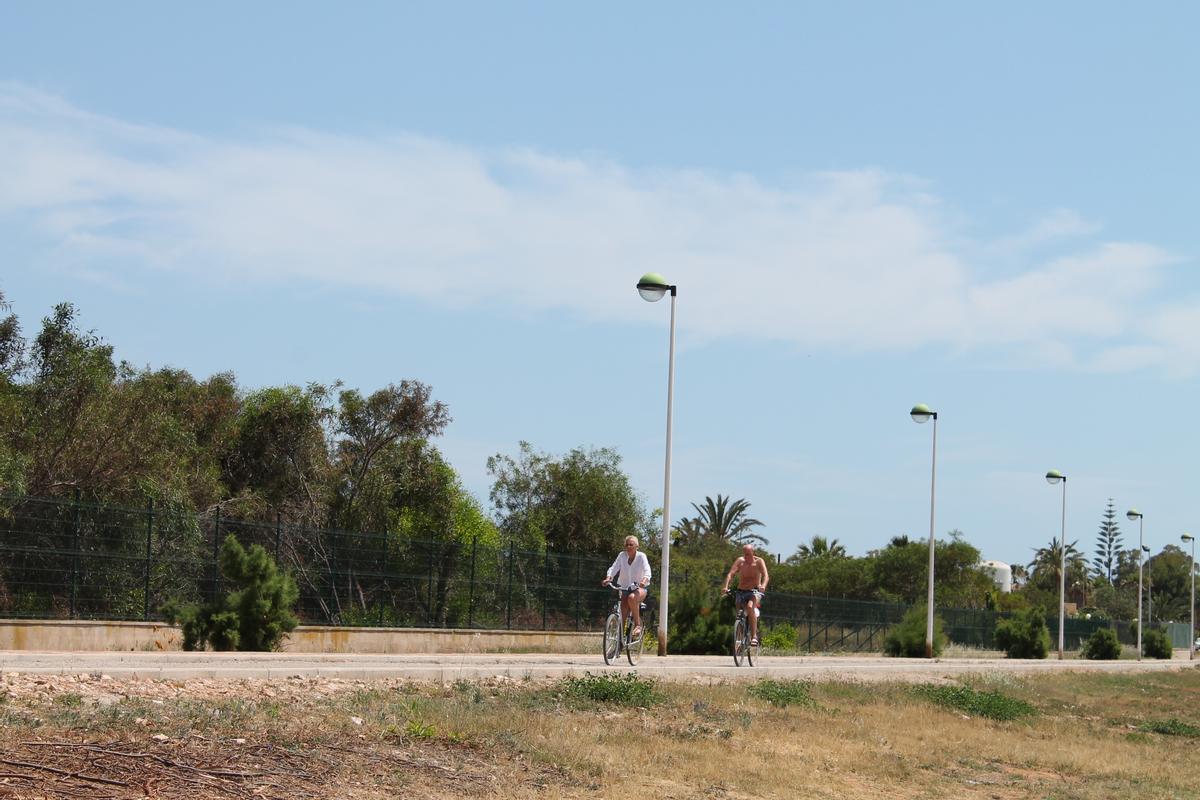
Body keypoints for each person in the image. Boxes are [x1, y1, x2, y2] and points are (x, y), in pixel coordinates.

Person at [601, 535, 652, 638]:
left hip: (640, 588)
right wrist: (608, 578)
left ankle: (638, 625)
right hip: (624, 588)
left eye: (631, 544)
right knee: (623, 612)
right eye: (627, 545)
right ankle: (619, 641)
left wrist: (644, 579)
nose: (628, 547)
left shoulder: (641, 556)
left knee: (632, 598)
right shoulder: (622, 555)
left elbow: (647, 570)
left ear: (637, 546)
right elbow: (614, 568)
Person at [721, 543, 770, 646]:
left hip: (754, 591)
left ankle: (754, 637)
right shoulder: (740, 561)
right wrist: (725, 587)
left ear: (753, 552)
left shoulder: (759, 562)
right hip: (741, 591)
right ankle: (740, 636)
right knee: (739, 614)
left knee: (749, 606)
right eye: (745, 554)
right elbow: (730, 574)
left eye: (748, 554)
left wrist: (763, 586)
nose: (746, 556)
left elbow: (766, 576)